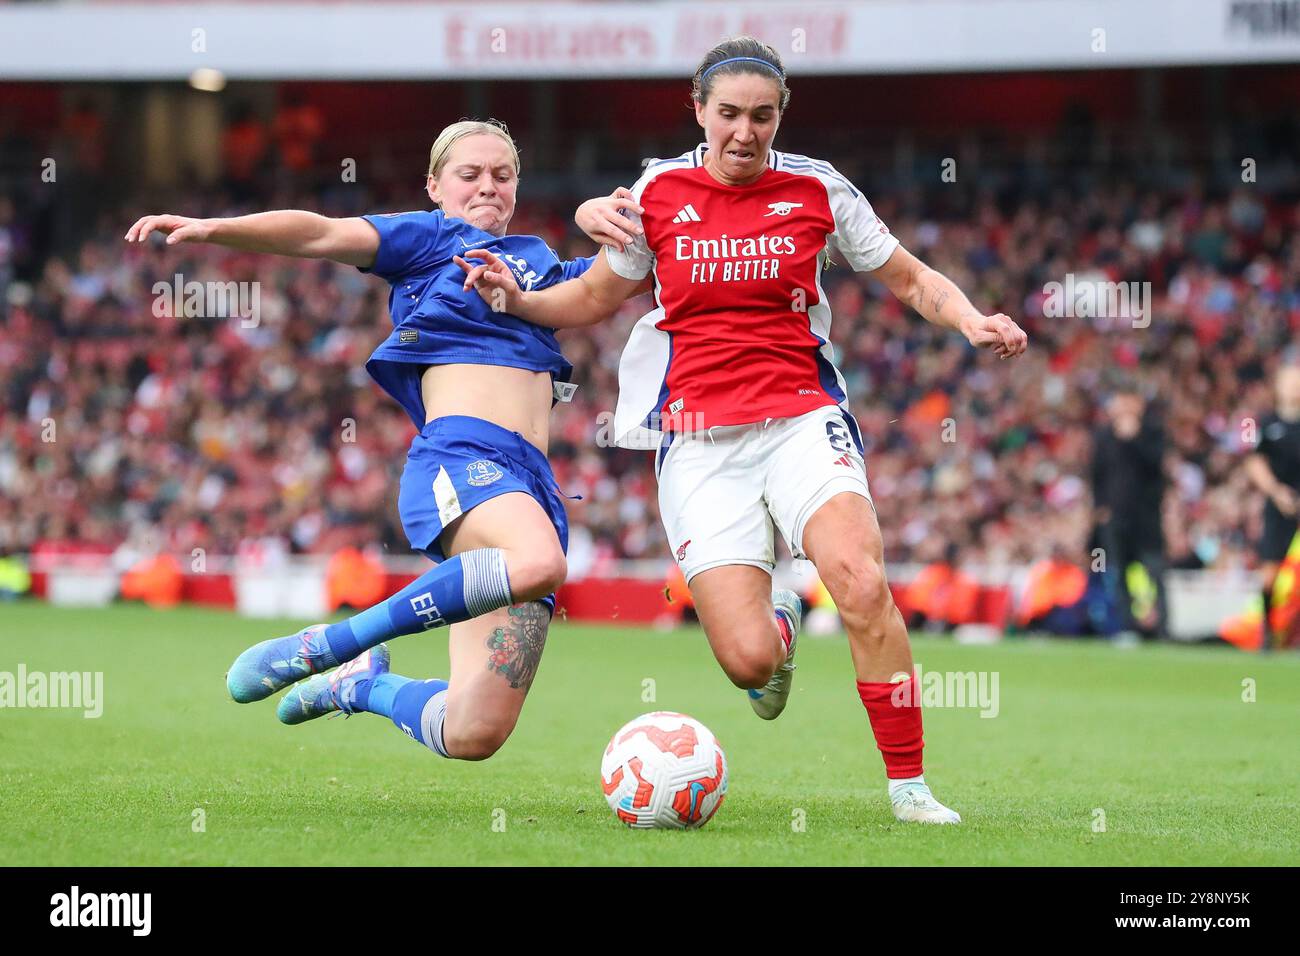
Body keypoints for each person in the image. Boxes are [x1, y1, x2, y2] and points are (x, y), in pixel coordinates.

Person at [458, 37, 1027, 824]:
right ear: (698, 109)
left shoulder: (818, 189)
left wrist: (970, 318)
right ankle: (781, 629)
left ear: (779, 118)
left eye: (762, 117)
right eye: (728, 114)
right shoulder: (657, 195)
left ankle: (909, 787)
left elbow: (908, 275)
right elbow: (591, 298)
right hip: (697, 442)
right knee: (748, 661)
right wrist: (515, 300)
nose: (744, 132)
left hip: (802, 417)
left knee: (860, 583)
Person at [126, 119, 640, 761]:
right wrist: (215, 228)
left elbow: (617, 276)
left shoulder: (543, 266)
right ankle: (333, 644)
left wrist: (612, 216)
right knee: (539, 563)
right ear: (435, 186)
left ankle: (361, 684)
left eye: (502, 176)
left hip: (530, 481)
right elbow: (319, 232)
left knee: (472, 732)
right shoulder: (431, 240)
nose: (489, 187)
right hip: (464, 457)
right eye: (470, 174)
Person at [1091, 385, 1168, 641]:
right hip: (1115, 517)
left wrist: (1133, 439)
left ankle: (1162, 629)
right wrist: (1099, 508)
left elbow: (1156, 465)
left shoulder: (1152, 431)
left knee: (1154, 570)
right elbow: (1097, 474)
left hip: (1146, 517)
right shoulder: (1104, 435)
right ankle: (1126, 628)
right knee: (1119, 571)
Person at [1244, 364, 1300, 650]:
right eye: (1289, 381)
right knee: (1270, 572)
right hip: (1279, 506)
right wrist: (1277, 492)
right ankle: (1266, 630)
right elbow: (1254, 462)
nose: (1294, 387)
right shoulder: (1265, 423)